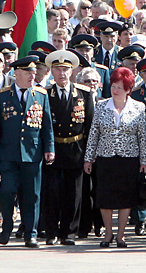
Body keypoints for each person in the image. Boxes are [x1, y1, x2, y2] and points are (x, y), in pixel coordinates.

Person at [0, 55, 55, 248]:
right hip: (8, 154)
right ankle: (7, 224)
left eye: (33, 73)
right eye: (27, 73)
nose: (32, 76)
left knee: (32, 195)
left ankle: (30, 234)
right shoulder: (2, 95)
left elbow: (47, 125)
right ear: (16, 73)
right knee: (7, 191)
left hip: (32, 153)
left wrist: (49, 148)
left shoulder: (40, 95)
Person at [84, 67, 146, 249]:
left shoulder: (138, 107)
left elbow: (141, 136)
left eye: (120, 87)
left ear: (128, 89)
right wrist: (88, 158)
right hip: (105, 158)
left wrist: (144, 161)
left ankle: (121, 236)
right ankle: (108, 233)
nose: (115, 90)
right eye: (113, 86)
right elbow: (93, 134)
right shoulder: (101, 106)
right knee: (105, 197)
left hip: (129, 159)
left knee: (125, 198)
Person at [42, 50, 94, 245]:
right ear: (52, 72)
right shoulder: (46, 94)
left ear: (71, 72)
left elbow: (90, 126)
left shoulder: (83, 94)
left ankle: (69, 232)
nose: (61, 74)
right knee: (52, 192)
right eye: (57, 70)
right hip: (53, 149)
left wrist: (89, 156)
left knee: (74, 194)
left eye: (65, 70)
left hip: (76, 149)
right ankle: (52, 232)